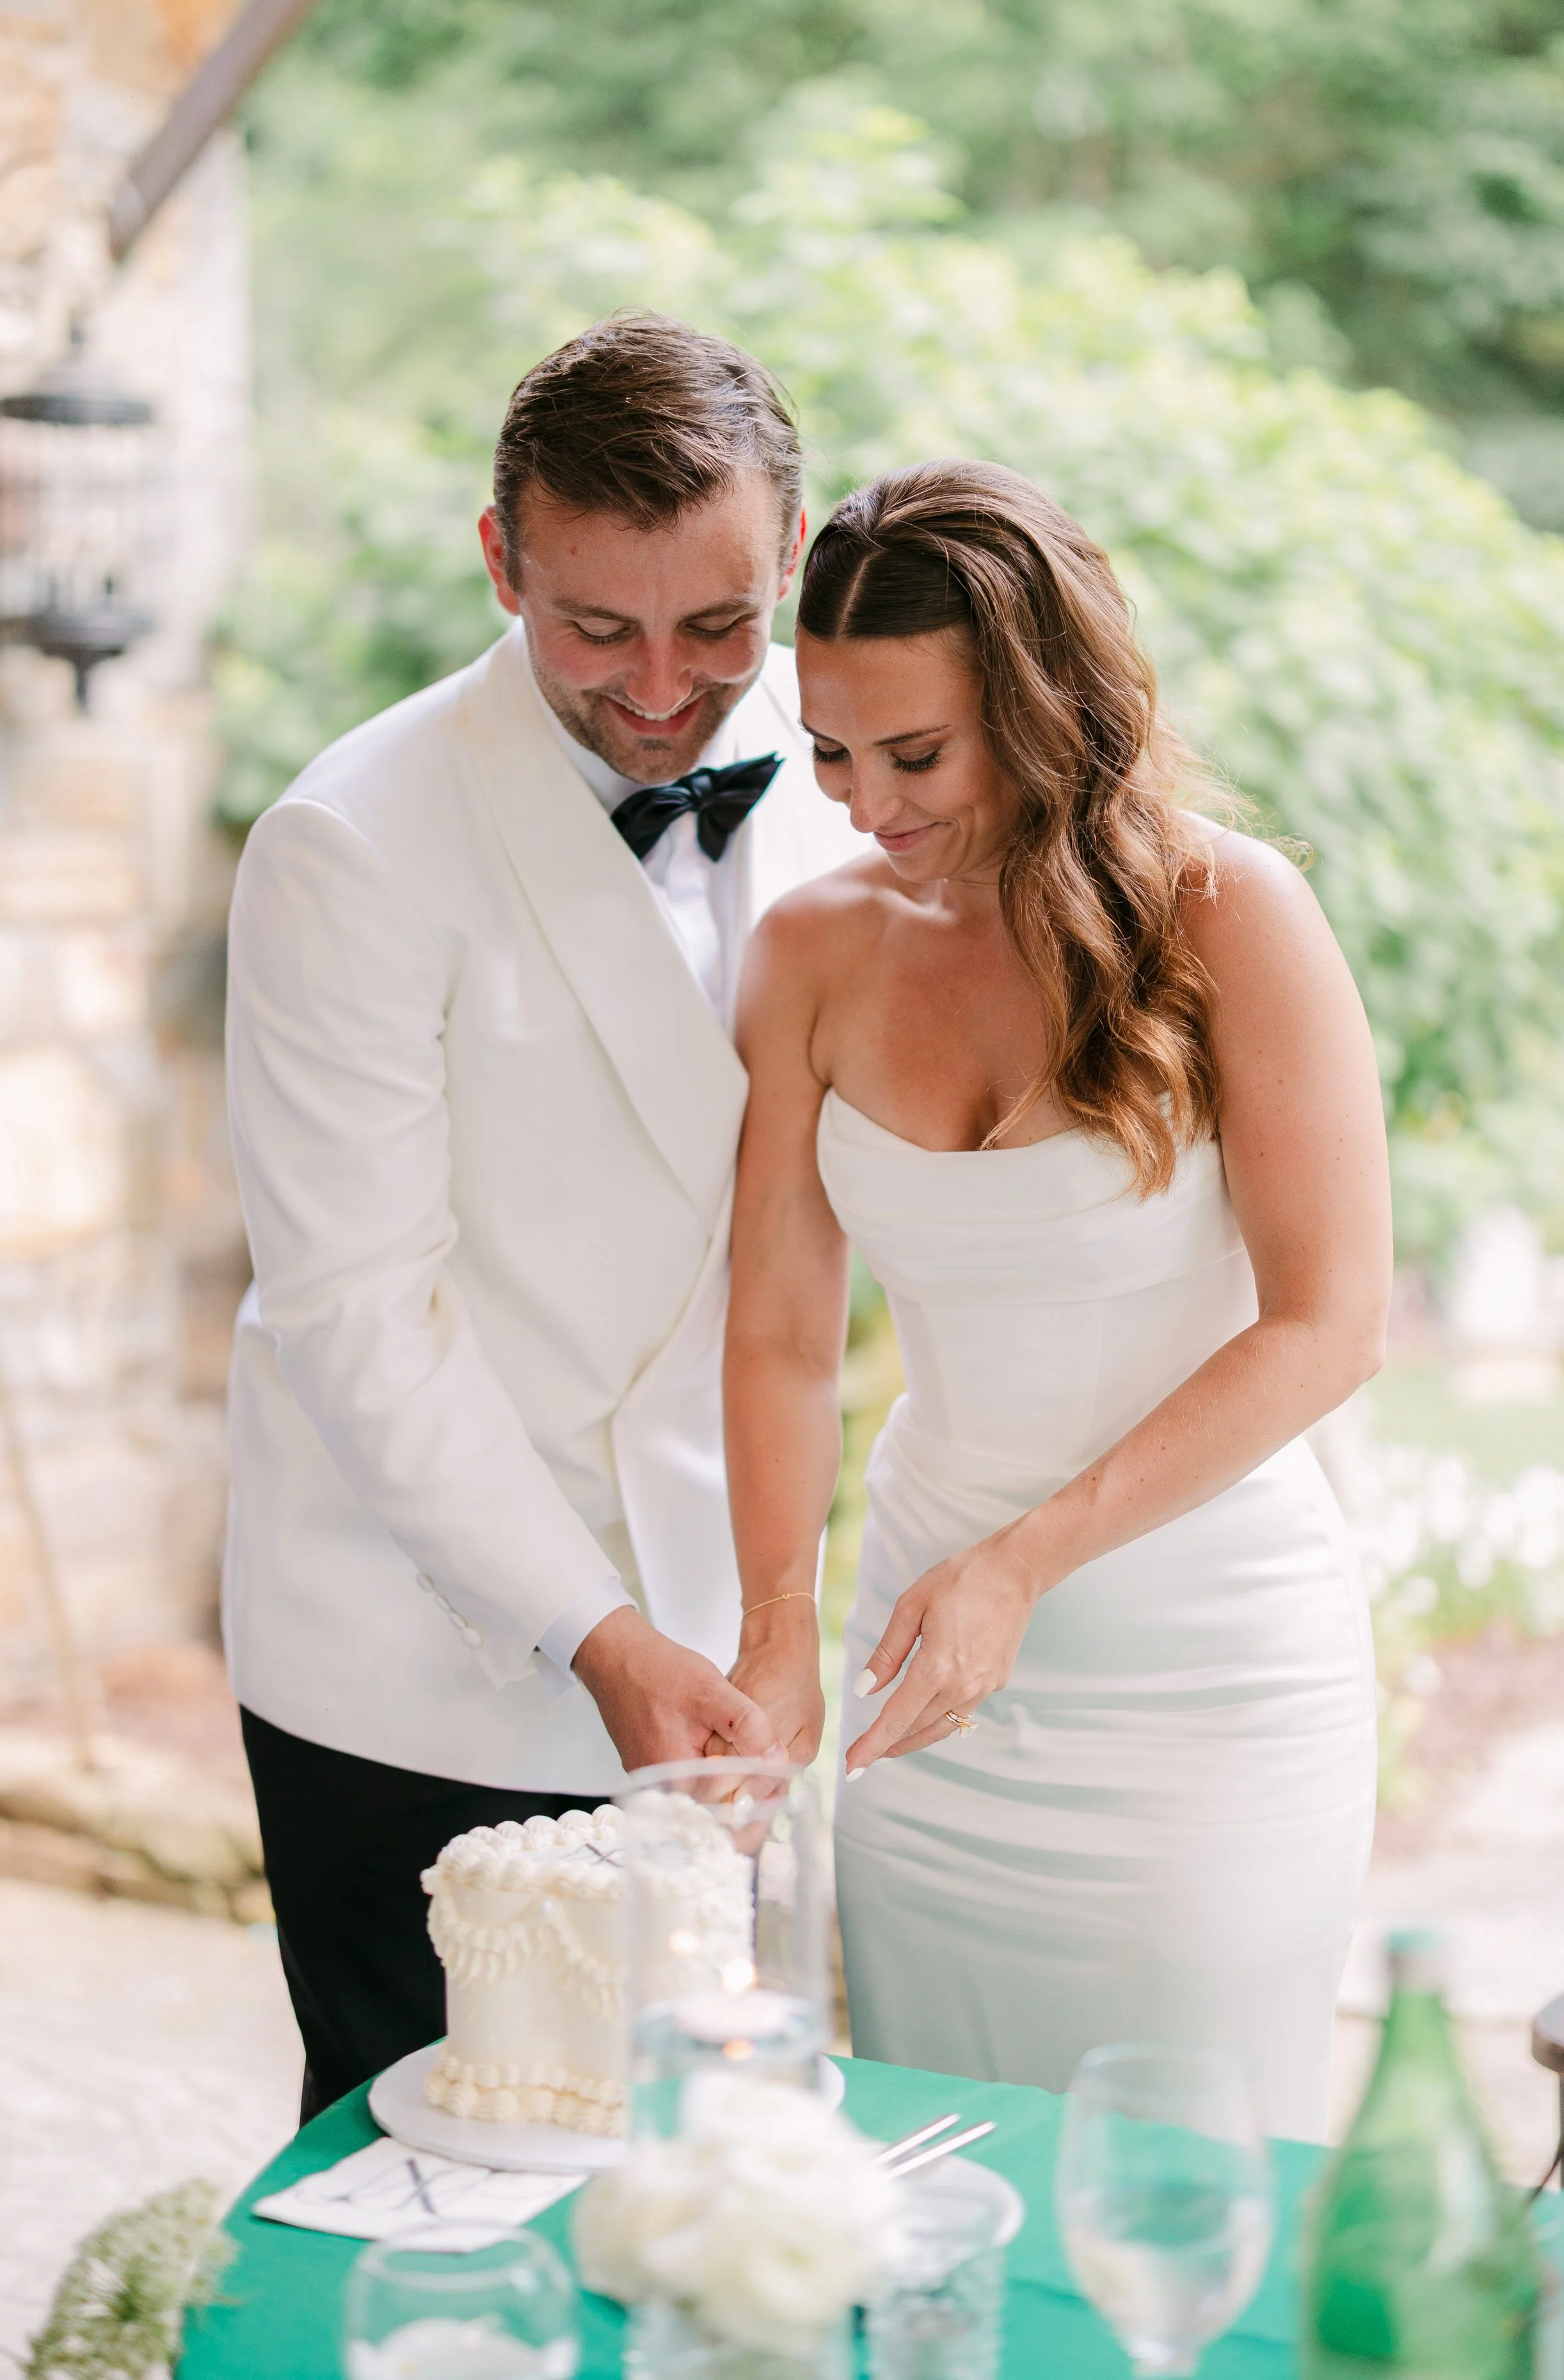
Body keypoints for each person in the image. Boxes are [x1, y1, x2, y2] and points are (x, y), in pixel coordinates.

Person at [223, 314, 854, 2116]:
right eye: (596, 627)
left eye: (718, 624)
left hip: (721, 1639)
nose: (662, 687)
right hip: (425, 1654)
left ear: (790, 559)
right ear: (500, 562)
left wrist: (768, 1610)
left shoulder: (849, 791)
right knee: (429, 2172)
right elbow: (359, 1314)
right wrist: (600, 1633)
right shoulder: (350, 843)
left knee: (697, 2149)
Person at [723, 460, 1389, 2141]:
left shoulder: (1232, 914)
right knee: (938, 2183)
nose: (863, 802)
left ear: (1039, 710)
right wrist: (775, 1632)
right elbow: (784, 1332)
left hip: (1209, 1700)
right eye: (827, 751)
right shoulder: (808, 947)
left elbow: (1327, 1318)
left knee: (1184, 2200)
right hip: (926, 1715)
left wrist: (1023, 1558)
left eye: (915, 754)